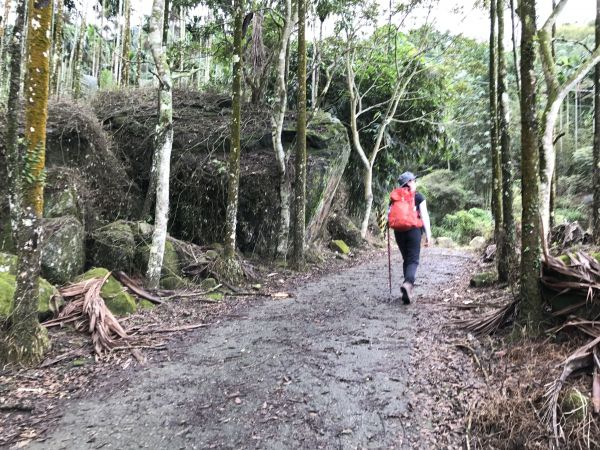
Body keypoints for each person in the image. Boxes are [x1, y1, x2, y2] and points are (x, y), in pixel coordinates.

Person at [392, 171, 432, 304]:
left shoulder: (395, 197)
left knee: (406, 259)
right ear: (409, 182)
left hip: (398, 231)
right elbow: (425, 216)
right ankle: (408, 284)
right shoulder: (419, 196)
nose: (415, 182)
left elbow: (389, 215)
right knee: (413, 260)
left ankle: (407, 289)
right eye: (413, 180)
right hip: (414, 231)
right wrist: (428, 234)